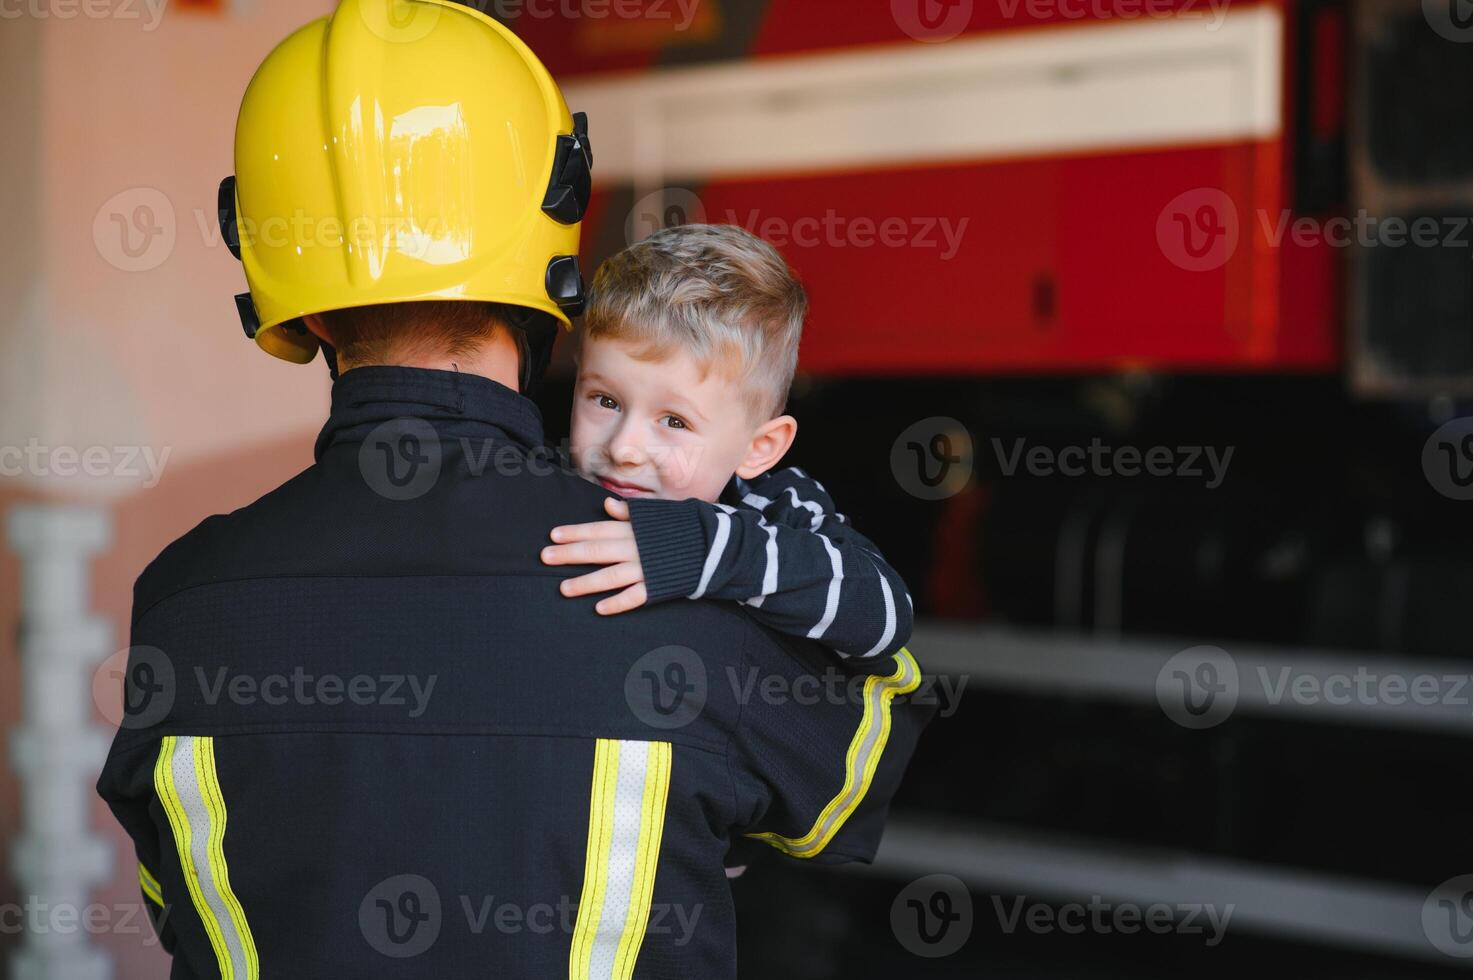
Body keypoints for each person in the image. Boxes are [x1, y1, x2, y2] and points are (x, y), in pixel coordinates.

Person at [95, 1, 932, 978]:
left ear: (300, 299)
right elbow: (861, 764)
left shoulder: (186, 603)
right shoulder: (679, 581)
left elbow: (176, 895)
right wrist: (777, 543)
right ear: (555, 245)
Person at [540, 224, 913, 662]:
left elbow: (885, 614)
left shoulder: (778, 508)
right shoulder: (545, 486)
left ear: (759, 448)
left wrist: (696, 549)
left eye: (675, 422)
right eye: (606, 400)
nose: (624, 449)